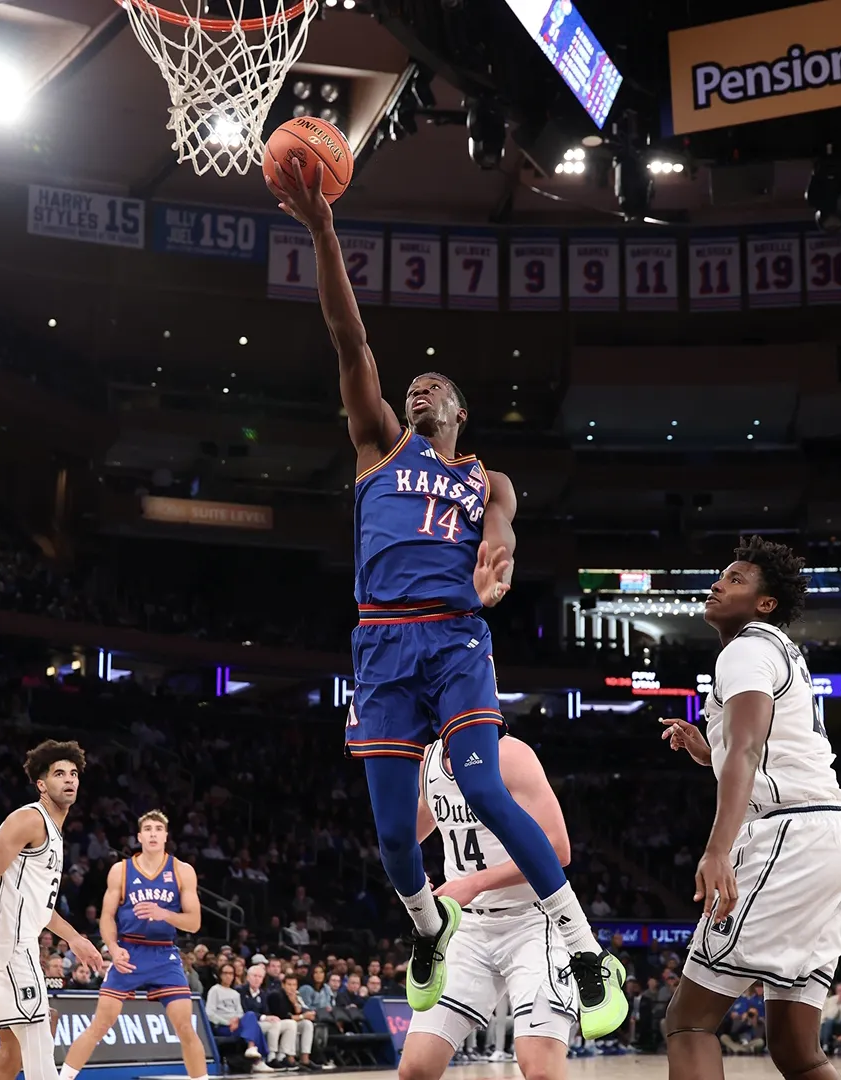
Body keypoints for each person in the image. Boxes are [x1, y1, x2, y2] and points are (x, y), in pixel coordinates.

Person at [266, 161, 621, 1039]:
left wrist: (499, 553)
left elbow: (502, 519)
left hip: (456, 638)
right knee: (393, 839)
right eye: (413, 384)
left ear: (461, 411)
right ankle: (430, 928)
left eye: (437, 387)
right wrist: (320, 229)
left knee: (485, 789)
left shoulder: (484, 475)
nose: (419, 388)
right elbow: (351, 342)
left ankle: (583, 951)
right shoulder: (378, 444)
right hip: (381, 644)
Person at [657, 536, 841, 1080]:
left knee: (688, 1023)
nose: (717, 584)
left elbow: (751, 751)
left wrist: (717, 850)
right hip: (837, 838)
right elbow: (760, 749)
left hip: (791, 838)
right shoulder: (777, 651)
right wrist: (707, 750)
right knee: (797, 1053)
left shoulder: (745, 649)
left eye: (733, 580)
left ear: (764, 603)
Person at [399, 735, 577, 1080]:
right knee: (415, 1069)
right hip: (465, 928)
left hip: (531, 921)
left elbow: (558, 850)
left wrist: (475, 882)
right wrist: (407, 871)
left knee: (540, 1070)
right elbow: (406, 836)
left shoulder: (512, 753)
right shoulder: (429, 761)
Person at [0, 742, 105, 1080]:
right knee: (39, 1035)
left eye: (73, 774)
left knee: (11, 1053)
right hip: (7, 943)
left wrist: (74, 938)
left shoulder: (55, 834)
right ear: (41, 784)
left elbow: (42, 907)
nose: (69, 780)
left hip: (8, 940)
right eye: (59, 774)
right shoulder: (30, 819)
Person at [58, 810, 207, 1080]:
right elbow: (106, 916)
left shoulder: (182, 871)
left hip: (164, 954)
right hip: (129, 951)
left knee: (185, 1026)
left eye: (158, 829)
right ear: (139, 836)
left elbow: (194, 923)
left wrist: (165, 914)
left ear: (165, 836)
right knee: (100, 1024)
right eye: (147, 829)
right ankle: (63, 1078)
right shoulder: (121, 870)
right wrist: (113, 949)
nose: (152, 833)